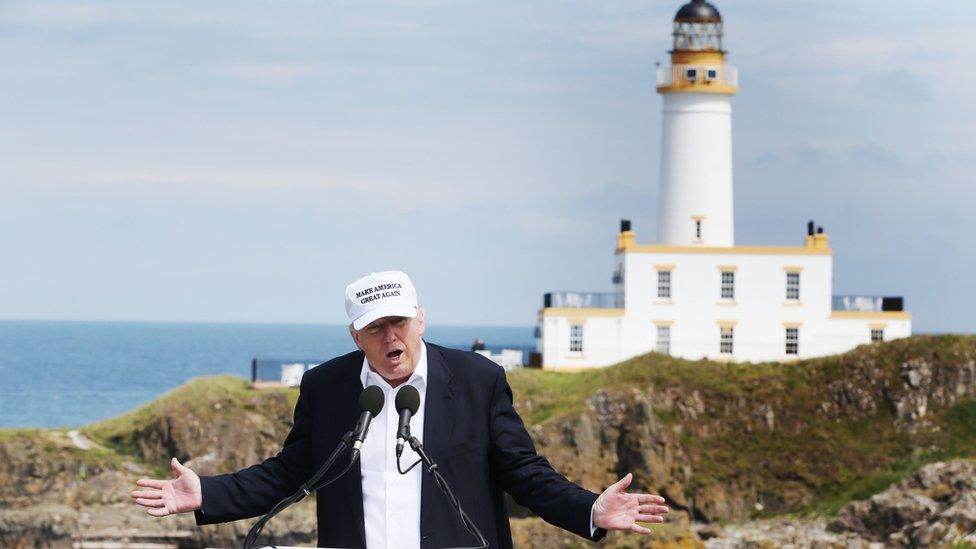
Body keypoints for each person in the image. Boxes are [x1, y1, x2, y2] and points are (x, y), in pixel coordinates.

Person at [131, 271, 669, 548]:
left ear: (421, 320)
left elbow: (525, 475)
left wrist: (589, 510)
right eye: (375, 328)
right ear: (355, 335)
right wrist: (209, 493)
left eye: (400, 323)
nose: (392, 338)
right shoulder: (327, 387)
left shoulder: (478, 381)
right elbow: (291, 473)